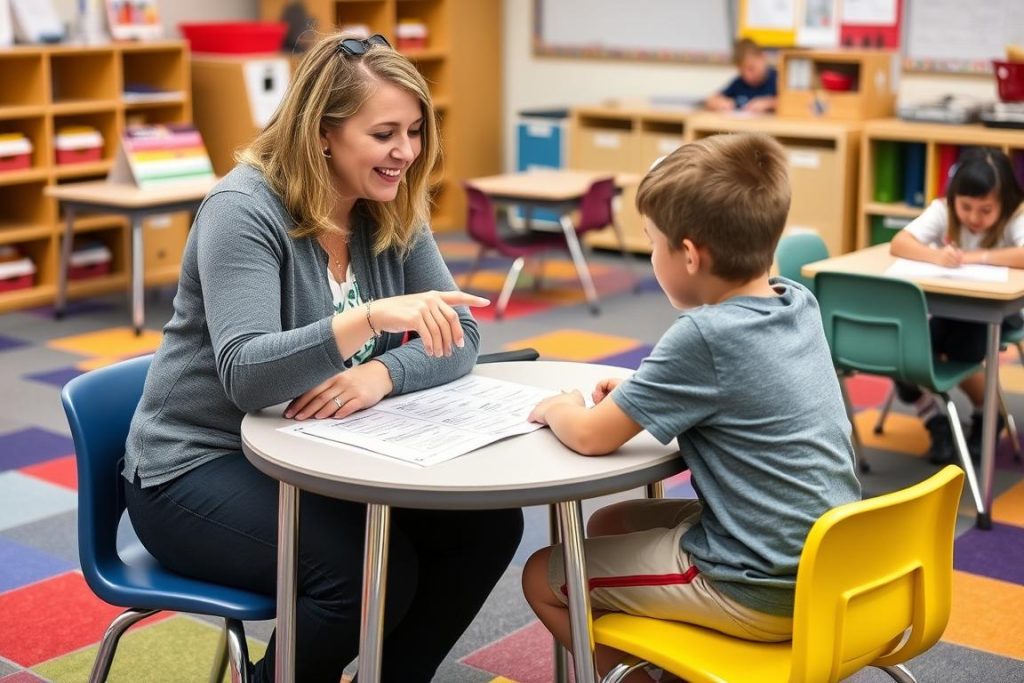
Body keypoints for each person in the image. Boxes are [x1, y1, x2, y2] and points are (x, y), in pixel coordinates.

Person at [122, 33, 523, 683]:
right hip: (195, 465)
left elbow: (463, 331)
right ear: (323, 134)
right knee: (368, 572)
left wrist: (381, 372)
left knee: (486, 529)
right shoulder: (243, 208)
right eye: (385, 132)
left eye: (416, 131)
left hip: (317, 451)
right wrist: (363, 321)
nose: (406, 152)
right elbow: (247, 375)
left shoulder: (386, 203)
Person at [521, 133, 861, 682]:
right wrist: (637, 400)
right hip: (830, 561)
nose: (652, 256)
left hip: (758, 582)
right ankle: (676, 662)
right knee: (612, 522)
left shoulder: (703, 336)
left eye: (653, 243)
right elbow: (741, 399)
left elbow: (589, 436)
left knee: (545, 575)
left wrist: (561, 406)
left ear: (688, 254)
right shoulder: (796, 301)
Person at [889, 147, 1024, 465]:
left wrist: (976, 257)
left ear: (1003, 203)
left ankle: (987, 415)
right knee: (902, 349)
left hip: (995, 314)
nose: (975, 218)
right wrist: (936, 255)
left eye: (986, 210)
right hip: (947, 308)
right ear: (954, 198)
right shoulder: (943, 209)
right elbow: (899, 243)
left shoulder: (1016, 215)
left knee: (963, 349)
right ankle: (935, 419)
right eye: (966, 207)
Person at [705, 38, 778, 113]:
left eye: (751, 68)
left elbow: (790, 102)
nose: (748, 76)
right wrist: (720, 103)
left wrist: (770, 103)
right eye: (742, 72)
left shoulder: (778, 79)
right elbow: (711, 99)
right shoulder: (738, 83)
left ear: (762, 58)